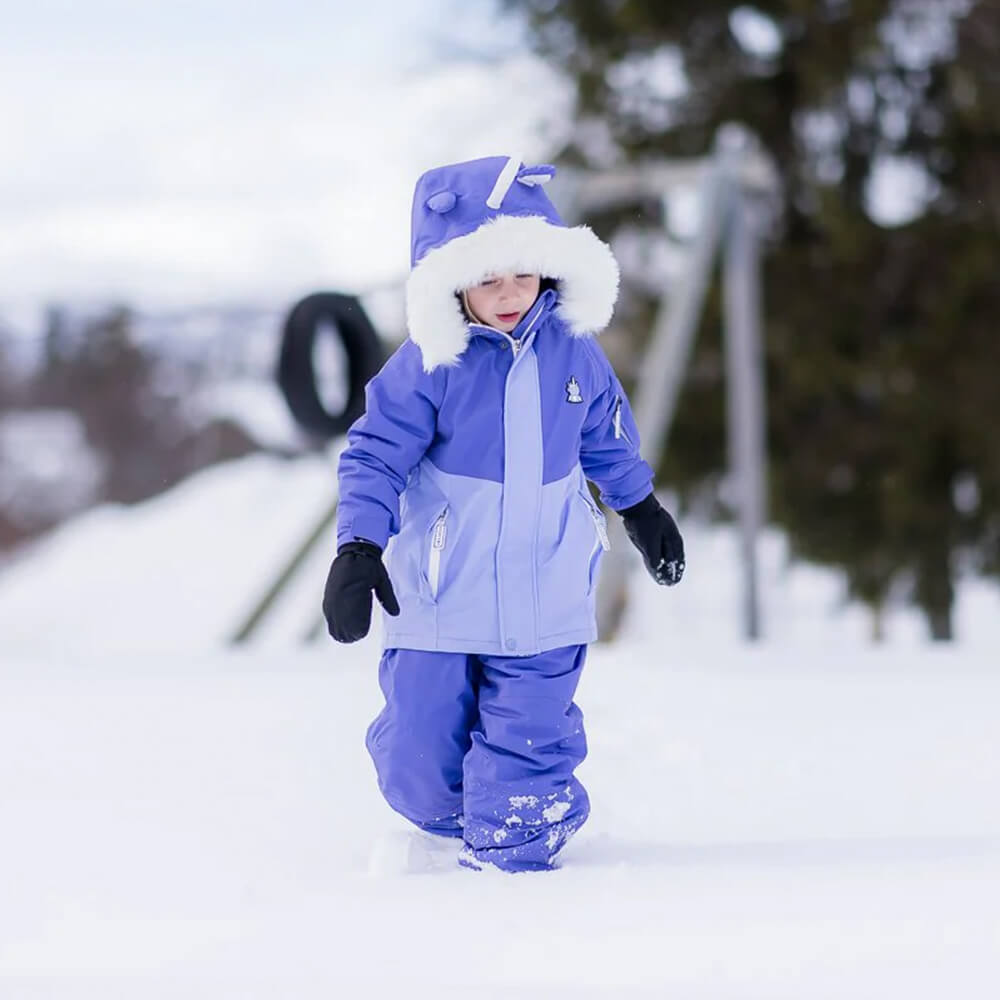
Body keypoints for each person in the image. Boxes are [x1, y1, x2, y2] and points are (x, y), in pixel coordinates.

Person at [323, 154, 685, 872]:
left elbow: (606, 437)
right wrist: (358, 547)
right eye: (488, 278)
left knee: (523, 766)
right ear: (452, 281)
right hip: (442, 596)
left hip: (546, 595)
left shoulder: (575, 354)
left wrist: (640, 508)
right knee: (419, 765)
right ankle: (463, 822)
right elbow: (375, 456)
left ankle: (517, 861)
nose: (511, 292)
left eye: (524, 272)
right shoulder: (429, 363)